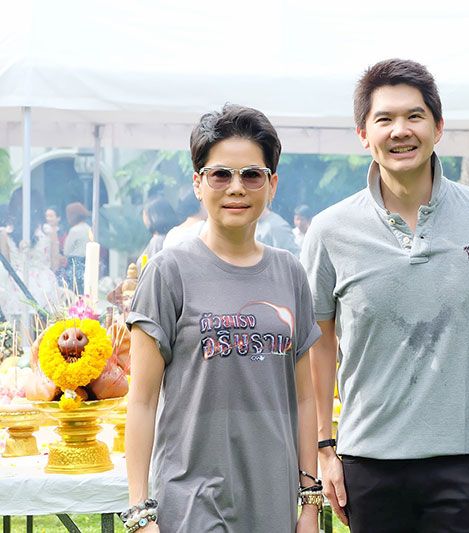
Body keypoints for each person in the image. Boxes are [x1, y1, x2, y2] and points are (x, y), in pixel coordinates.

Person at [301, 59, 469, 533]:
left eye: (414, 116)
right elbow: (318, 342)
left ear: (438, 127)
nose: (400, 130)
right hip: (369, 460)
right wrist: (324, 446)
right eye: (385, 119)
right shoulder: (330, 230)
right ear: (364, 134)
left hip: (468, 458)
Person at [125, 104, 322, 533]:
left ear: (271, 185)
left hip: (272, 500)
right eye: (220, 175)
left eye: (251, 175)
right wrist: (140, 513)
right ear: (198, 183)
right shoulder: (168, 273)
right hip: (192, 502)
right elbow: (141, 401)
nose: (236, 188)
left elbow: (305, 398)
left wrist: (310, 500)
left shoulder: (289, 272)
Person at [63, 202, 92, 294]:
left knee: (73, 290)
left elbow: (66, 250)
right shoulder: (88, 228)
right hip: (86, 261)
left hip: (74, 262)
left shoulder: (74, 230)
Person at [140, 197, 179, 261]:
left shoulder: (158, 241)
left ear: (153, 216)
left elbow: (150, 265)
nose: (143, 218)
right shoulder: (174, 237)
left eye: (144, 214)